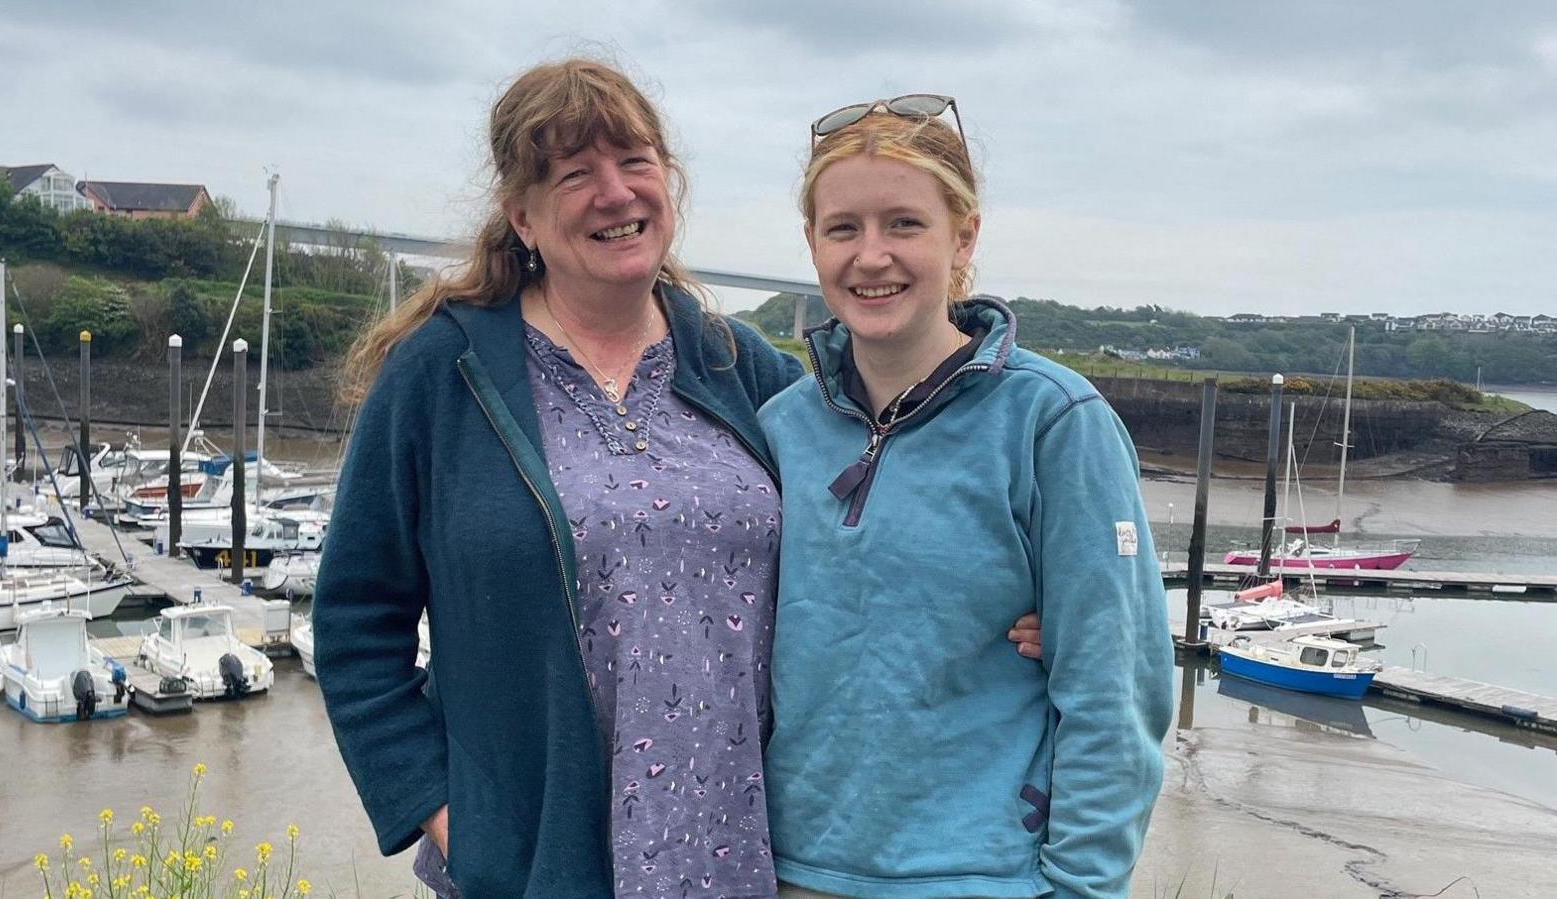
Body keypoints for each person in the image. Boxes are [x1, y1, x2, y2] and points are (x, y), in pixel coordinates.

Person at [314, 58, 805, 898]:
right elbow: (358, 618)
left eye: (636, 162)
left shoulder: (740, 366)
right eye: (576, 175)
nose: (616, 194)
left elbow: (880, 516)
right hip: (538, 871)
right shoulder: (443, 374)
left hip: (741, 863)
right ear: (523, 218)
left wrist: (1022, 599)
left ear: (669, 184)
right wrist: (451, 816)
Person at [757, 96, 1173, 898]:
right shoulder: (781, 427)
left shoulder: (1054, 422)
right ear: (812, 242)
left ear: (965, 234)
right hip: (789, 869)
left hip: (987, 875)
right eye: (843, 227)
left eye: (904, 224)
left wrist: (1083, 886)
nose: (871, 255)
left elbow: (1116, 689)